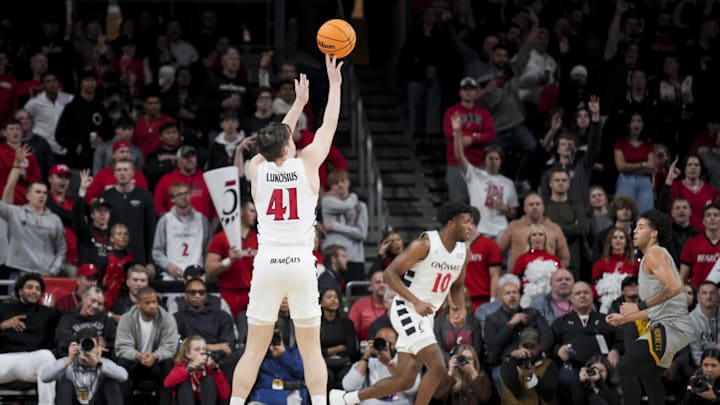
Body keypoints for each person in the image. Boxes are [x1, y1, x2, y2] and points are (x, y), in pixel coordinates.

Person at [229, 55, 344, 405]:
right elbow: (327, 127)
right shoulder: (307, 163)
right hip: (299, 263)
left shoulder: (255, 167)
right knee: (311, 350)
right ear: (289, 144)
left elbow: (274, 140)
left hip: (266, 264)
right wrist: (334, 86)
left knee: (252, 350)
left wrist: (296, 105)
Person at [329, 201, 473, 405]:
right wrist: (415, 301)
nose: (470, 227)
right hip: (407, 308)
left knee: (404, 380)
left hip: (426, 315)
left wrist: (459, 309)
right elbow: (389, 274)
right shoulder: (424, 244)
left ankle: (345, 398)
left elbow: (457, 286)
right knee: (437, 366)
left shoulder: (463, 252)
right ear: (451, 223)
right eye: (466, 222)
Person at [606, 209, 693, 405]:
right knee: (649, 376)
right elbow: (661, 306)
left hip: (671, 327)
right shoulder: (653, 255)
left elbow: (675, 287)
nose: (635, 231)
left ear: (654, 233)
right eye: (635, 227)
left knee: (625, 368)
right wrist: (625, 318)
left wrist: (638, 305)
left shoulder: (654, 253)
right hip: (670, 325)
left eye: (641, 227)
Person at [452, 115, 518, 240]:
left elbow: (514, 212)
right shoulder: (474, 175)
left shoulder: (508, 183)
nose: (493, 161)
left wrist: (507, 210)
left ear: (501, 161)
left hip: (501, 230)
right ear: (484, 160)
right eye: (490, 158)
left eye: (497, 159)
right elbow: (459, 157)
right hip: (479, 230)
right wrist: (457, 132)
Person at [1, 151, 66, 276]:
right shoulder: (15, 213)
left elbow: (61, 249)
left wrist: (52, 271)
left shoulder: (55, 219)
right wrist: (17, 164)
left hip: (45, 275)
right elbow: (9, 188)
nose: (41, 195)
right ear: (28, 195)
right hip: (19, 272)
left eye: (44, 193)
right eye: (37, 192)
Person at [0, 274, 60, 405]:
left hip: (29, 361)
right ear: (20, 290)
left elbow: (75, 317)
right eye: (30, 287)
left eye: (38, 289)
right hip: (3, 359)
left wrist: (50, 312)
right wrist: (3, 325)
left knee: (47, 356)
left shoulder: (47, 313)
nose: (34, 291)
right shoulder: (3, 308)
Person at [115, 287, 179, 405]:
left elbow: (170, 346)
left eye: (154, 302)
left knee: (169, 364)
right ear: (138, 304)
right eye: (147, 303)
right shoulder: (127, 319)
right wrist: (138, 356)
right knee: (121, 365)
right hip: (135, 361)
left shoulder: (167, 318)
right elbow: (122, 347)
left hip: (157, 363)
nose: (152, 306)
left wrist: (155, 356)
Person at [40, 328, 127, 405]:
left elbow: (123, 376)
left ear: (97, 348)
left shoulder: (103, 362)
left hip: (96, 400)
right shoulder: (67, 361)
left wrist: (98, 364)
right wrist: (69, 360)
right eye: (85, 345)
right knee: (65, 384)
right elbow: (44, 377)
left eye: (91, 345)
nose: (88, 349)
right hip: (74, 400)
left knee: (110, 383)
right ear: (77, 346)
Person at [444, 77, 496, 203]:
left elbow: (490, 135)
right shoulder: (451, 112)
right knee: (458, 203)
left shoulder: (483, 114)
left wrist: (472, 139)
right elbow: (449, 133)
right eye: (465, 89)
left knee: (479, 203)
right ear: (460, 92)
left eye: (471, 89)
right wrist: (475, 135)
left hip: (478, 164)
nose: (468, 92)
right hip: (456, 164)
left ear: (476, 92)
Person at [205, 200, 258, 319]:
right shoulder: (221, 238)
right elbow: (209, 268)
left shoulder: (259, 238)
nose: (255, 214)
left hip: (254, 294)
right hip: (229, 294)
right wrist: (229, 260)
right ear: (241, 211)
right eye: (252, 211)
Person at [341, 327, 420, 405]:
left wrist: (389, 363)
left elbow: (412, 389)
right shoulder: (368, 362)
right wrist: (365, 357)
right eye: (381, 342)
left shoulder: (406, 361)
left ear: (396, 344)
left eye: (389, 343)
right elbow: (348, 386)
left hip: (398, 401)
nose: (385, 346)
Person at [101, 159, 156, 268]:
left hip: (138, 256)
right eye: (119, 170)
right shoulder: (106, 196)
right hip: (112, 255)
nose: (122, 173)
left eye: (125, 170)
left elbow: (150, 230)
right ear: (114, 173)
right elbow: (102, 229)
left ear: (133, 173)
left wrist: (150, 261)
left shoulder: (145, 196)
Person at [498, 193, 570, 271]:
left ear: (543, 207)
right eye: (531, 205)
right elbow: (498, 252)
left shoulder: (555, 228)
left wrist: (556, 273)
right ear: (524, 209)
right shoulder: (513, 226)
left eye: (537, 204)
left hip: (548, 278)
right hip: (518, 276)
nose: (534, 207)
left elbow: (565, 258)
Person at [152, 182, 209, 280]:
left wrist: (203, 269)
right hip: (171, 275)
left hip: (197, 275)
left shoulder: (201, 219)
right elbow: (157, 251)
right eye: (179, 194)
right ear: (172, 199)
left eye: (186, 193)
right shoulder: (165, 220)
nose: (184, 197)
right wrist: (168, 266)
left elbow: (207, 249)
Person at [321, 169, 369, 282]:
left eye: (342, 181)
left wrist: (335, 226)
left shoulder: (361, 206)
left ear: (348, 182)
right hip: (333, 258)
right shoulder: (327, 202)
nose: (340, 185)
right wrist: (353, 196)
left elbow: (362, 234)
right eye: (335, 183)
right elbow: (348, 205)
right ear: (331, 188)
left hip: (355, 258)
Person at [246, 322, 309, 404]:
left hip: (290, 395)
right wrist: (261, 351)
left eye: (275, 336)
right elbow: (247, 376)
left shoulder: (295, 353)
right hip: (264, 397)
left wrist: (283, 355)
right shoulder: (255, 354)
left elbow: (301, 373)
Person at [498, 327, 559, 404]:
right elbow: (512, 386)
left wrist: (533, 377)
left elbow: (548, 395)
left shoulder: (549, 364)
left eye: (533, 347)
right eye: (526, 347)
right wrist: (512, 359)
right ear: (519, 346)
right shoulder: (509, 362)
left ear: (539, 346)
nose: (529, 351)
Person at [164, 336, 230, 405]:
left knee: (208, 379)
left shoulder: (209, 368)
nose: (202, 352)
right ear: (188, 354)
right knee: (184, 381)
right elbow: (167, 383)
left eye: (204, 349)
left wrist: (215, 369)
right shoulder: (181, 367)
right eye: (197, 349)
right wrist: (193, 365)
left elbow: (225, 395)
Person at [55, 286, 116, 357]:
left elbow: (114, 342)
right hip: (72, 359)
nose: (95, 306)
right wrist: (93, 342)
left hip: (99, 359)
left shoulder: (105, 319)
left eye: (99, 304)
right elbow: (63, 341)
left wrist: (106, 344)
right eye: (93, 301)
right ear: (84, 298)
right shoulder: (68, 318)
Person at [613, 111, 656, 212]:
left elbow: (651, 168)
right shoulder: (620, 144)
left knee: (644, 215)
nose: (636, 124)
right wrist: (643, 164)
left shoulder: (648, 145)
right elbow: (621, 167)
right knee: (624, 210)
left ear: (643, 125)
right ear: (628, 124)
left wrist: (629, 169)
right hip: (625, 181)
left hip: (644, 182)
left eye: (639, 121)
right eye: (633, 121)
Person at [23, 71, 73, 156]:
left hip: (63, 146)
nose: (52, 84)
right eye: (48, 81)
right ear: (42, 85)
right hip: (41, 146)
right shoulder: (34, 103)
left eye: (54, 80)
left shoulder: (69, 99)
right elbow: (22, 119)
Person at [463, 207, 503, 311]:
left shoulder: (489, 245)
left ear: (470, 220)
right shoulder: (454, 246)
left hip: (482, 301)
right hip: (459, 300)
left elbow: (495, 275)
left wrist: (493, 300)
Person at [320, 287, 359, 389]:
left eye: (336, 297)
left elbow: (351, 349)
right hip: (322, 363)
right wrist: (337, 349)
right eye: (329, 297)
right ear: (321, 303)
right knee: (326, 377)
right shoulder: (316, 324)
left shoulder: (347, 323)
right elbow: (315, 351)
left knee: (346, 378)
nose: (333, 299)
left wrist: (328, 352)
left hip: (344, 362)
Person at [680, 204, 720, 288]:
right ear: (703, 221)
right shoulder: (692, 243)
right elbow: (683, 277)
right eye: (708, 215)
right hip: (698, 295)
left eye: (716, 215)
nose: (712, 218)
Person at [348, 269, 387, 341]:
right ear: (371, 286)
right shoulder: (359, 305)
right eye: (378, 282)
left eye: (384, 282)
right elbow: (350, 331)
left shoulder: (394, 305)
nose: (382, 285)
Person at [690, 281, 720, 366]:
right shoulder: (690, 320)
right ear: (698, 297)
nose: (708, 296)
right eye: (704, 293)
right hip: (703, 366)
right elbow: (696, 353)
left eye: (712, 293)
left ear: (718, 297)